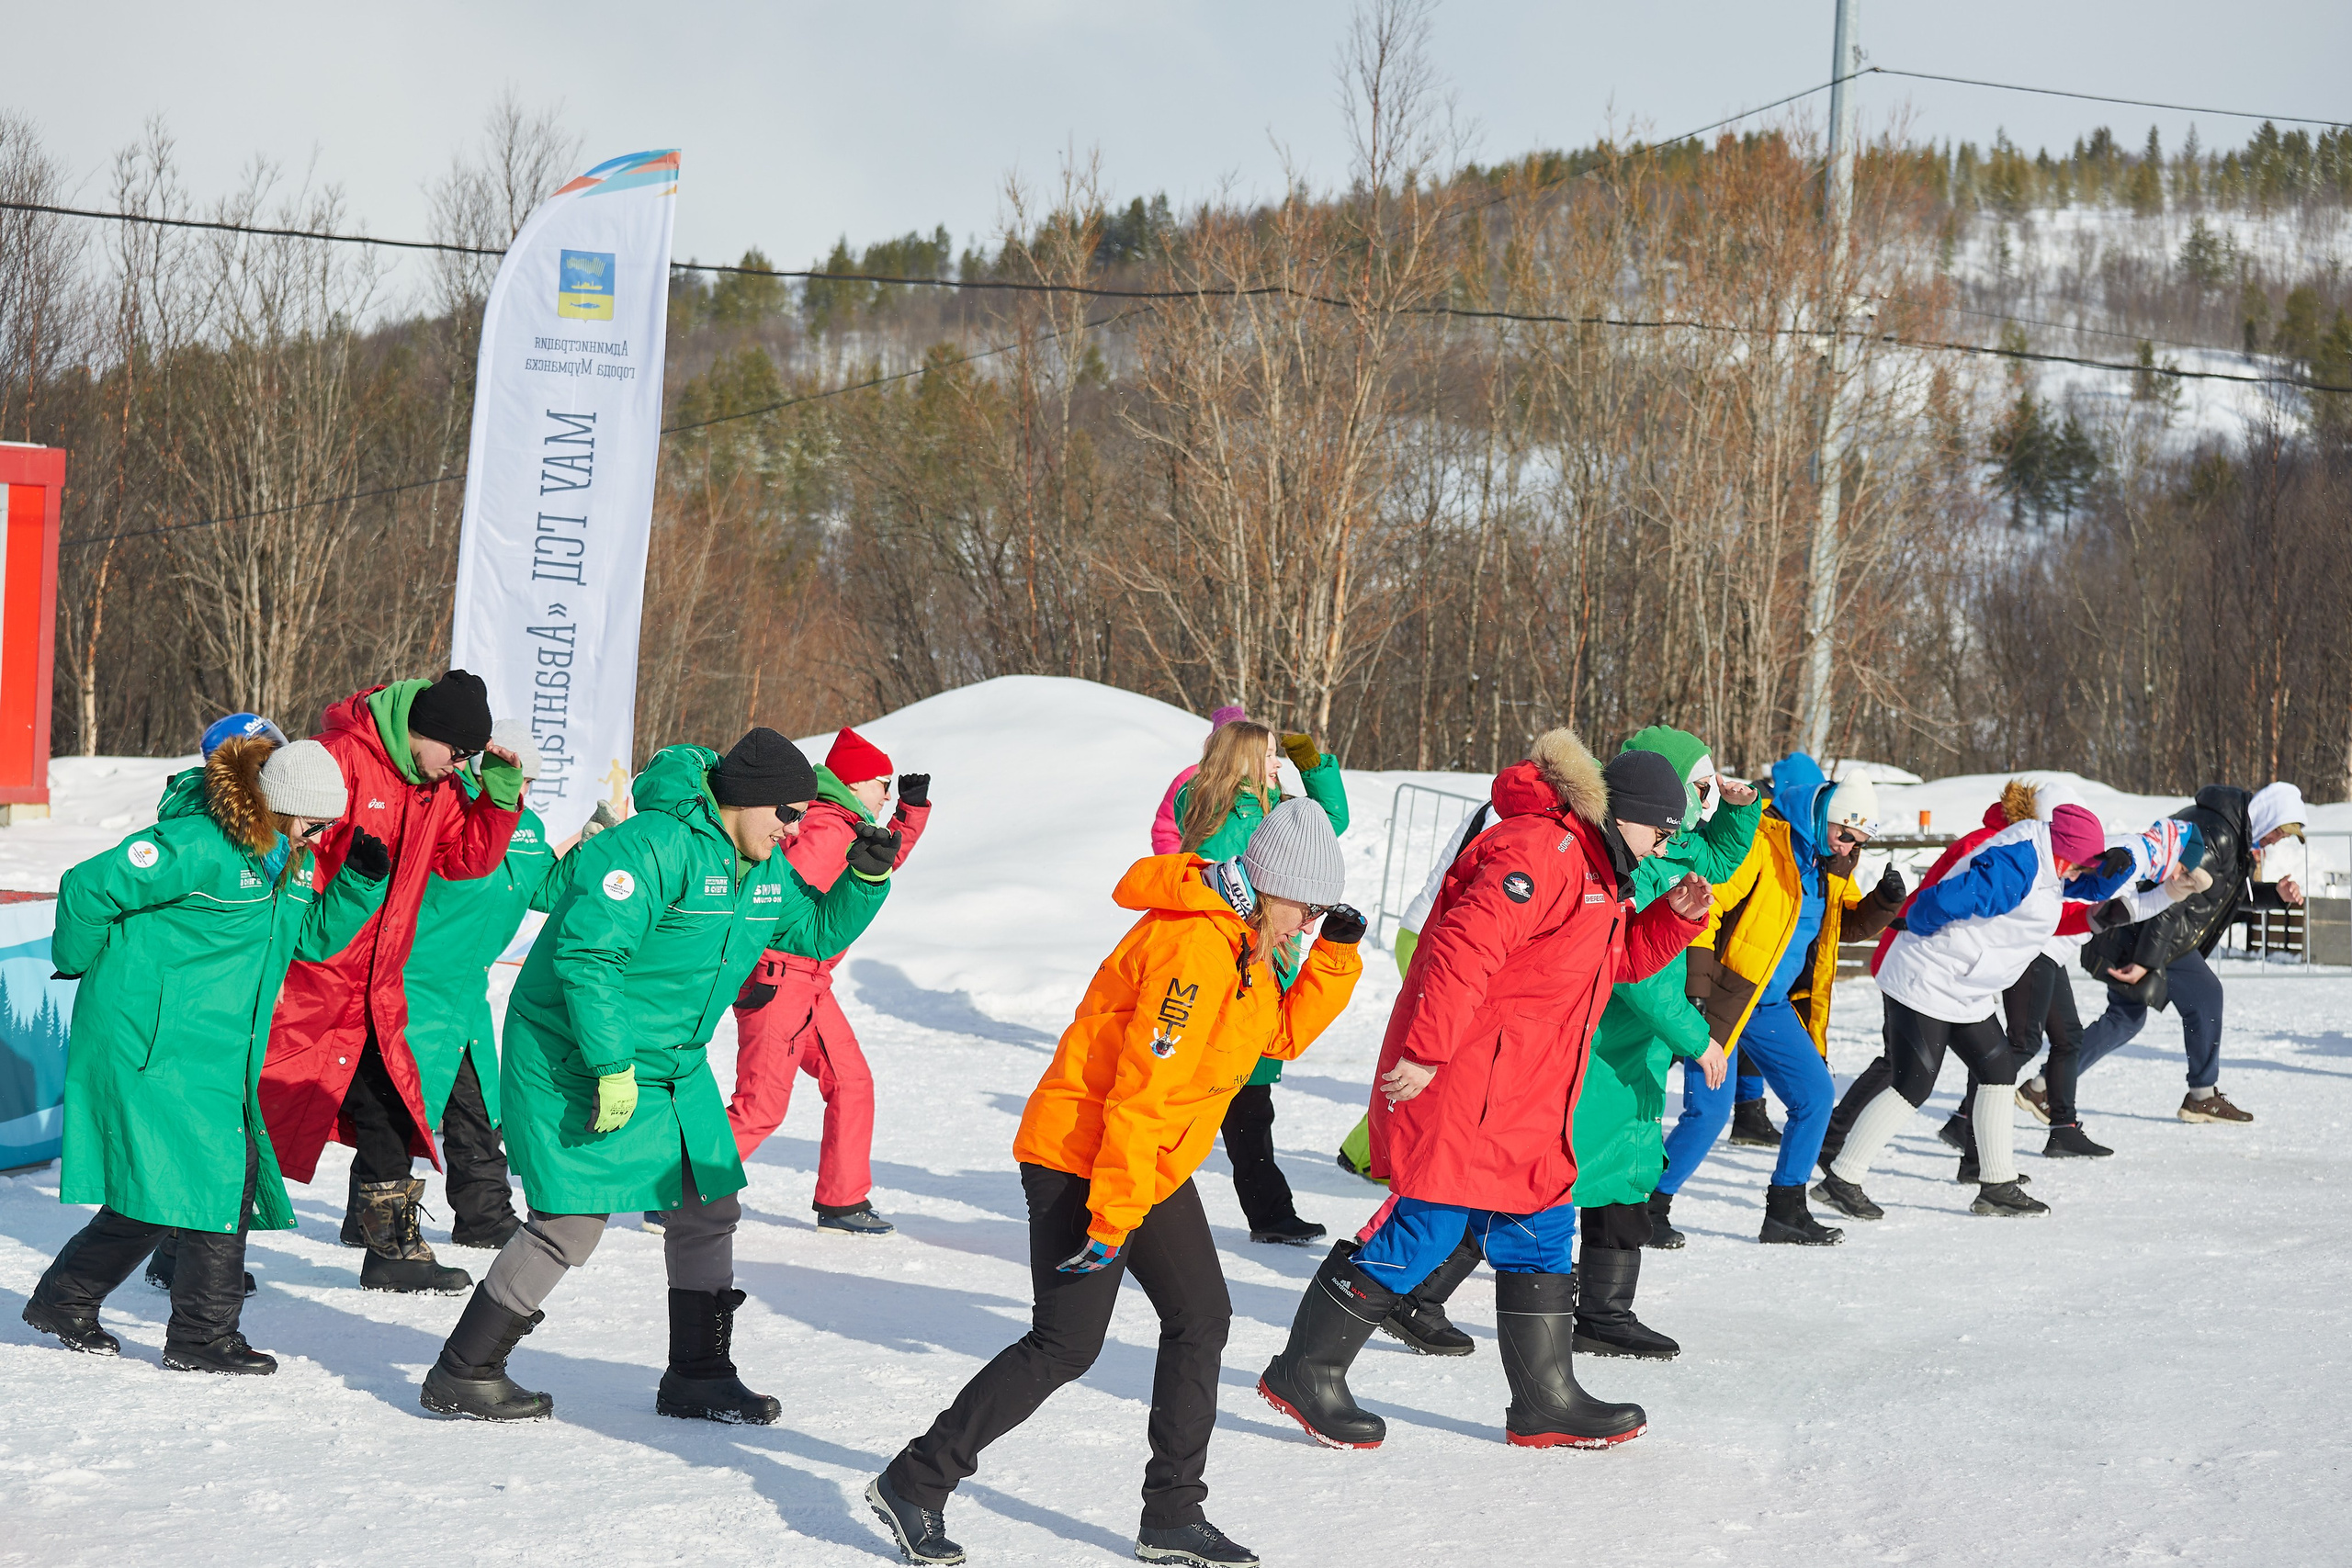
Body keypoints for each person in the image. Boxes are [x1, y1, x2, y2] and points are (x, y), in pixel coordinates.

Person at [869, 798, 1364, 1568]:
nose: (1308, 922)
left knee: (1202, 1316)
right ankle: (915, 1480)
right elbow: (1139, 1094)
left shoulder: (1244, 940)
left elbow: (1275, 1035)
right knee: (1065, 1344)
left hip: (1144, 1157)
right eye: (1307, 908)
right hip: (1082, 1154)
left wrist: (1333, 957)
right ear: (1270, 885)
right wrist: (1110, 1221)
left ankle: (1171, 1515)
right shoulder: (1195, 949)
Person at [418, 728, 896, 1426]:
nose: (796, 829)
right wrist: (612, 1067)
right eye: (788, 813)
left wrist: (867, 879)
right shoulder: (648, 847)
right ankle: (464, 1370)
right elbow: (589, 957)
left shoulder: (764, 868)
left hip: (675, 1061)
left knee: (708, 1204)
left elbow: (816, 933)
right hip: (574, 1051)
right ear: (749, 800)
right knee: (570, 1220)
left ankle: (700, 1374)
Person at [1258, 734, 1710, 1452]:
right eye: (1662, 827)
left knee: (1540, 1232)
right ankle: (1305, 1371)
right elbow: (1463, 950)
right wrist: (1428, 1051)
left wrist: (1673, 920)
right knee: (1427, 1226)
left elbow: (1609, 963)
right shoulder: (1537, 851)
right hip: (1474, 1081)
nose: (1666, 843)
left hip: (1529, 1092)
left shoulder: (1598, 870)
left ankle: (1545, 1399)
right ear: (1624, 812)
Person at [20, 737, 388, 1372]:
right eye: (314, 819)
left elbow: (308, 937)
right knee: (222, 1168)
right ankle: (201, 1335)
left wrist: (358, 882)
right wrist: (76, 962)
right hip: (149, 1036)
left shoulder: (290, 859)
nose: (320, 834)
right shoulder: (199, 842)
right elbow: (86, 887)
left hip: (213, 1049)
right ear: (281, 802)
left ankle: (67, 1297)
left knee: (170, 1180)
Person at [263, 671, 523, 1295]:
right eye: (458, 752)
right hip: (310, 979)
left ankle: (392, 1250)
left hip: (377, 985)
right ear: (424, 732)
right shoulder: (342, 758)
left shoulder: (437, 785)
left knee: (389, 1114)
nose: (461, 765)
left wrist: (499, 798)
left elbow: (464, 859)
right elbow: (280, 846)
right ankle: (187, 1243)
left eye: (471, 758)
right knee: (258, 1116)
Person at [1815, 801, 2116, 1221]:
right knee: (1913, 1084)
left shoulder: (2049, 861)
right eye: (2080, 865)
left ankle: (1996, 1186)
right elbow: (1953, 897)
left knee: (1998, 1071)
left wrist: (2110, 875)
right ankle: (1840, 1179)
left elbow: (2068, 891)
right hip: (1928, 975)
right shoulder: (2016, 864)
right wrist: (1916, 917)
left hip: (1965, 985)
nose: (2079, 874)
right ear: (2064, 849)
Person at [1653, 756, 1901, 1247]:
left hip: (1770, 1006)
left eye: (1860, 841)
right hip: (1725, 998)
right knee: (1710, 1113)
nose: (1850, 846)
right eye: (1846, 834)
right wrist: (1698, 989)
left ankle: (1786, 1210)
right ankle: (1649, 1206)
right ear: (1823, 813)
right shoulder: (1767, 841)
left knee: (1814, 1096)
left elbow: (1842, 926)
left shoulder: (1829, 866)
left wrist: (1883, 903)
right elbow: (1710, 903)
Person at [1568, 727, 1761, 1354]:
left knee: (1623, 1176)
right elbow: (1641, 977)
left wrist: (1737, 808)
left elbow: (1724, 859)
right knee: (1558, 1175)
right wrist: (1698, 1038)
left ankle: (1605, 1312)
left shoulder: (1671, 848)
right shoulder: (1643, 864)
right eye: (1699, 786)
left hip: (1632, 1050)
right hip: (1607, 1047)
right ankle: (1419, 1286)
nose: (1703, 801)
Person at [728, 726, 932, 1235]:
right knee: (761, 1106)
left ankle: (842, 1201)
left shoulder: (845, 823)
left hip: (810, 983)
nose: (886, 794)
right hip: (782, 979)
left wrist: (910, 815)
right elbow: (781, 906)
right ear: (855, 783)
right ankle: (677, 1195)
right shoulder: (825, 828)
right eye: (882, 784)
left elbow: (876, 862)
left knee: (852, 1082)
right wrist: (773, 968)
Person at [391, 721, 565, 1251]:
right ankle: (386, 1220)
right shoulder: (444, 809)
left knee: (474, 1103)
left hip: (464, 991)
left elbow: (550, 890)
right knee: (394, 1106)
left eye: (529, 782)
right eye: (516, 778)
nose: (523, 792)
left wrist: (592, 856)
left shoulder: (528, 830)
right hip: (410, 984)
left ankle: (483, 1214)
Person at [1177, 719, 1351, 1247]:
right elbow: (1242, 881)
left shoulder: (1274, 807)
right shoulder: (1212, 807)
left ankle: (1270, 1214)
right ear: (1245, 759)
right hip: (1236, 969)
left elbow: (1331, 821)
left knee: (1249, 1106)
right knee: (1223, 1102)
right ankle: (1260, 1212)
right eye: (1272, 755)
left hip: (1269, 965)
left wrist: (1313, 766)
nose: (1278, 764)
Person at [2074, 780, 2308, 1124]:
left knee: (2124, 1019)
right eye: (2279, 831)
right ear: (2266, 816)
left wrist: (2276, 896)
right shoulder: (2219, 835)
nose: (2277, 840)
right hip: (2152, 932)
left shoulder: (2236, 834)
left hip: (2149, 931)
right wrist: (2145, 961)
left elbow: (2223, 895)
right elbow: (2173, 898)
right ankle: (2202, 1097)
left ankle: (2046, 1085)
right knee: (2205, 995)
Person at [1150, 704, 1251, 853]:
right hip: (1198, 870)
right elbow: (1165, 831)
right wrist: (1183, 868)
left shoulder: (1260, 779)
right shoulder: (1191, 778)